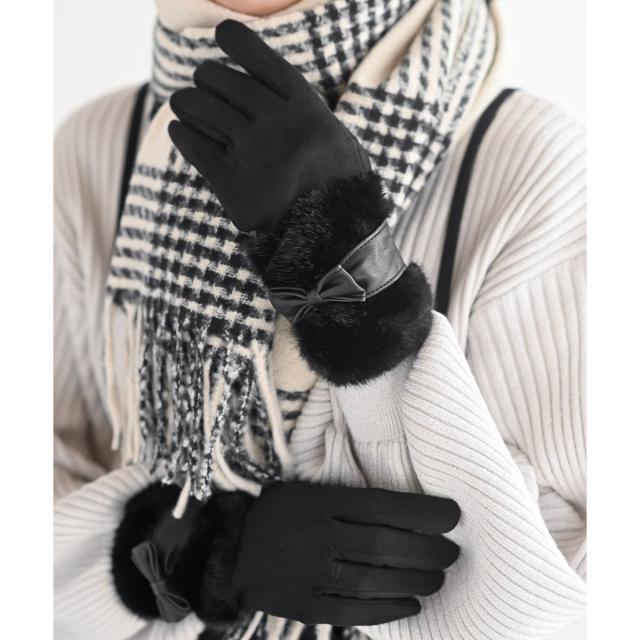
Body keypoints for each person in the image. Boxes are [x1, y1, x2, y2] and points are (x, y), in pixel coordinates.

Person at [54, 1, 587, 639]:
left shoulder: (528, 161)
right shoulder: (95, 147)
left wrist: (350, 275)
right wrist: (207, 555)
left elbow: (560, 577)